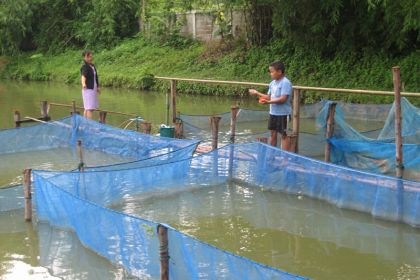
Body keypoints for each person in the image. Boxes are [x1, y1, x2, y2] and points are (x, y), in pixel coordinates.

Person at [249, 61, 292, 147]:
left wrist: (269, 102)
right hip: (273, 113)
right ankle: (272, 155)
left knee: (284, 136)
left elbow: (283, 99)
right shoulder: (272, 83)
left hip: (283, 114)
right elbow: (269, 97)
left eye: (272, 71)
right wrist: (257, 92)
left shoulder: (286, 82)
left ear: (279, 72)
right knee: (272, 134)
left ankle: (284, 158)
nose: (270, 74)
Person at [80, 50, 100, 119]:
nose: (90, 58)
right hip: (88, 89)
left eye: (91, 56)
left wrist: (98, 86)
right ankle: (89, 125)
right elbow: (83, 76)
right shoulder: (85, 66)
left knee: (87, 108)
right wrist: (83, 84)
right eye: (88, 57)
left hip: (93, 88)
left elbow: (95, 76)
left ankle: (84, 123)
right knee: (89, 108)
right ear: (84, 57)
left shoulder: (92, 65)